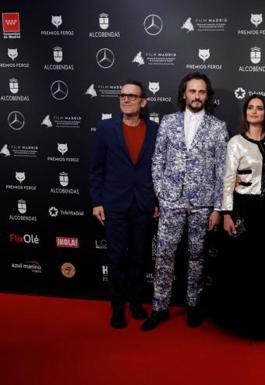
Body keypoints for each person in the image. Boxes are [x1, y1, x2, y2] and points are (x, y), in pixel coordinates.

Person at [142, 72, 228, 331]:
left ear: (207, 96)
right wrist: (161, 193)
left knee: (197, 256)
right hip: (171, 201)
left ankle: (193, 305)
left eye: (201, 92)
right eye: (192, 91)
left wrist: (216, 208)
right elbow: (157, 160)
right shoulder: (167, 122)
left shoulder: (218, 126)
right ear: (184, 94)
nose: (197, 96)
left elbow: (221, 170)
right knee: (164, 254)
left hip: (202, 205)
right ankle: (159, 307)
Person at [216, 94, 265, 337]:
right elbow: (227, 178)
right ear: (245, 112)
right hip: (244, 207)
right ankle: (241, 320)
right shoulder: (236, 142)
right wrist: (227, 213)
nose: (255, 111)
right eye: (250, 107)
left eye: (259, 108)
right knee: (244, 263)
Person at [89, 80, 159, 328]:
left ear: (143, 102)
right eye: (123, 95)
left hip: (143, 204)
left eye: (132, 96)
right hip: (114, 205)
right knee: (117, 258)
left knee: (139, 258)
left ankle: (136, 303)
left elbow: (159, 169)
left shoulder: (155, 130)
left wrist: (158, 200)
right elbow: (96, 169)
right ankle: (117, 308)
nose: (126, 99)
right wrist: (97, 201)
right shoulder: (105, 128)